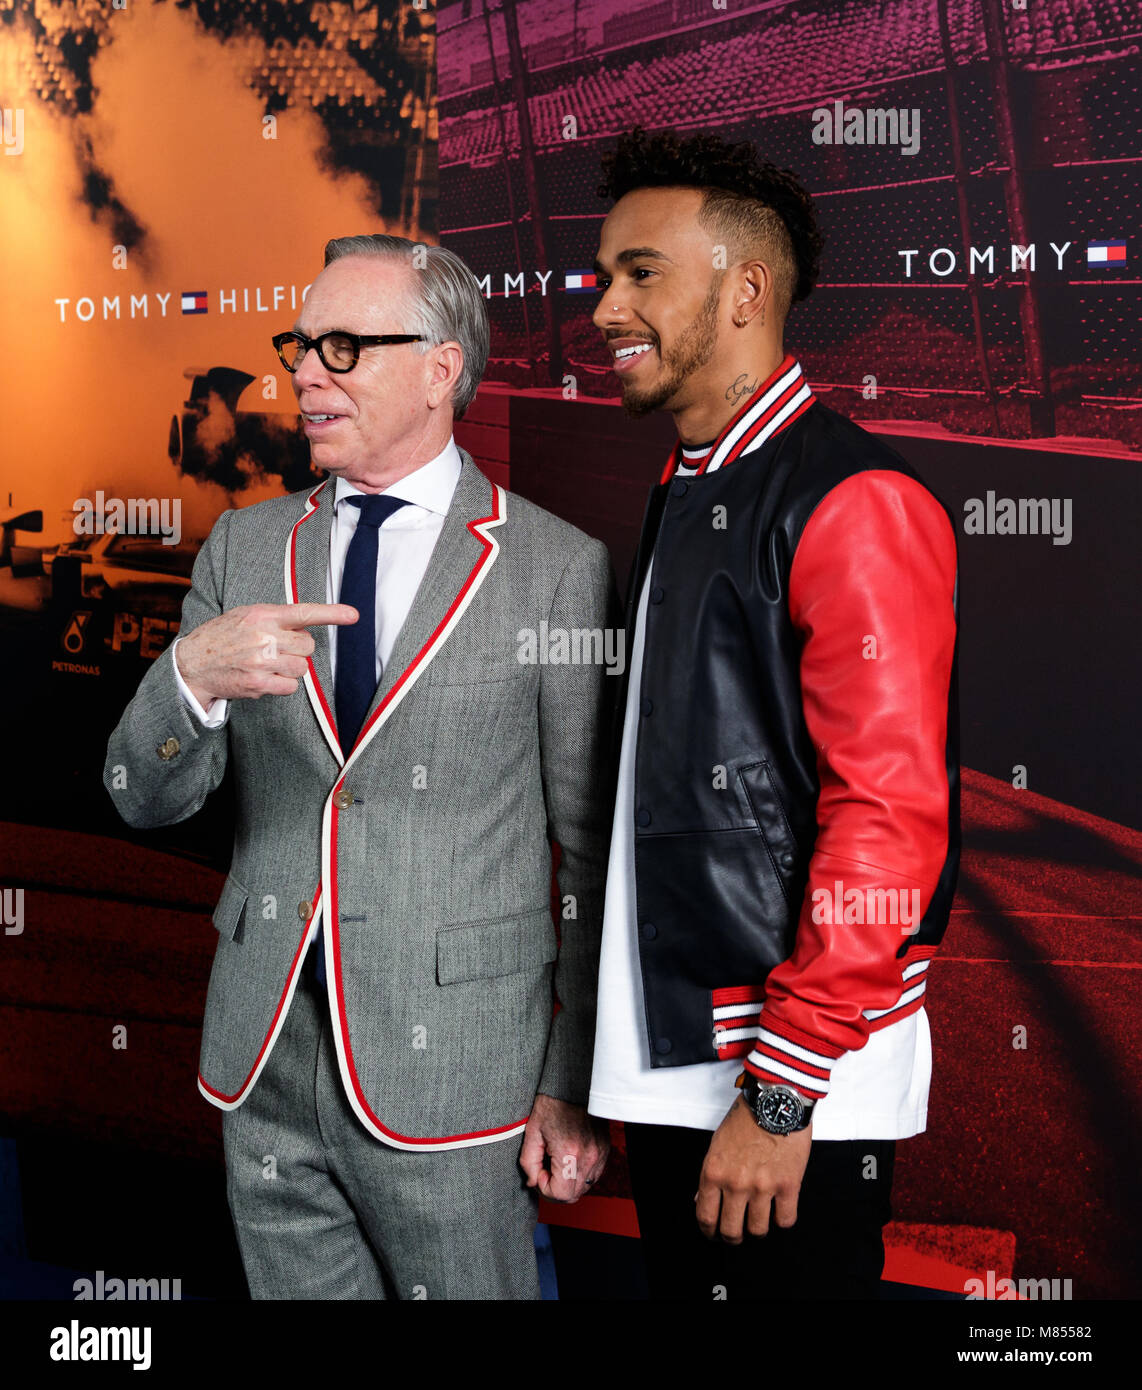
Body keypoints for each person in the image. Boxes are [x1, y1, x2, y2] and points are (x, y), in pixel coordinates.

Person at [104, 234, 615, 1300]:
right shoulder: (241, 550)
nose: (304, 371)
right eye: (300, 343)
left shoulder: (554, 568)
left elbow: (591, 856)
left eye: (344, 344)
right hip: (263, 1063)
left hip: (457, 1078)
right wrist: (190, 676)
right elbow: (140, 795)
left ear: (440, 369)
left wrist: (569, 1087)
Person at [586, 129, 960, 1300]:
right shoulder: (693, 476)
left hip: (772, 1081)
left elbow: (890, 820)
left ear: (744, 289)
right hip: (686, 1059)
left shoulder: (851, 496)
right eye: (605, 274)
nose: (603, 308)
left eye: (639, 272)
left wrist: (783, 1084)